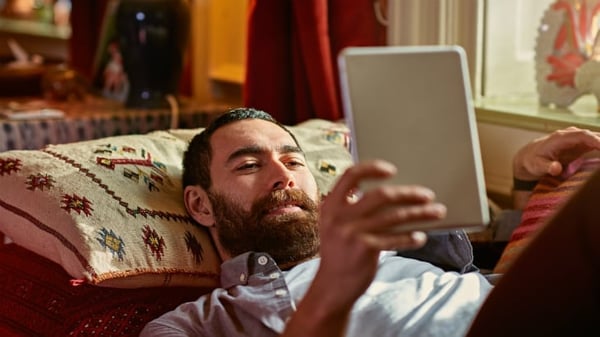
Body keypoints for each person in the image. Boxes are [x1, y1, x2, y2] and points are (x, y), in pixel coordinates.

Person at [140, 108, 600, 337]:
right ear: (200, 205)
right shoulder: (198, 323)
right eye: (248, 166)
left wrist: (524, 180)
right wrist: (332, 288)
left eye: (293, 161)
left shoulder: (400, 243)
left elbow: (515, 275)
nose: (282, 177)